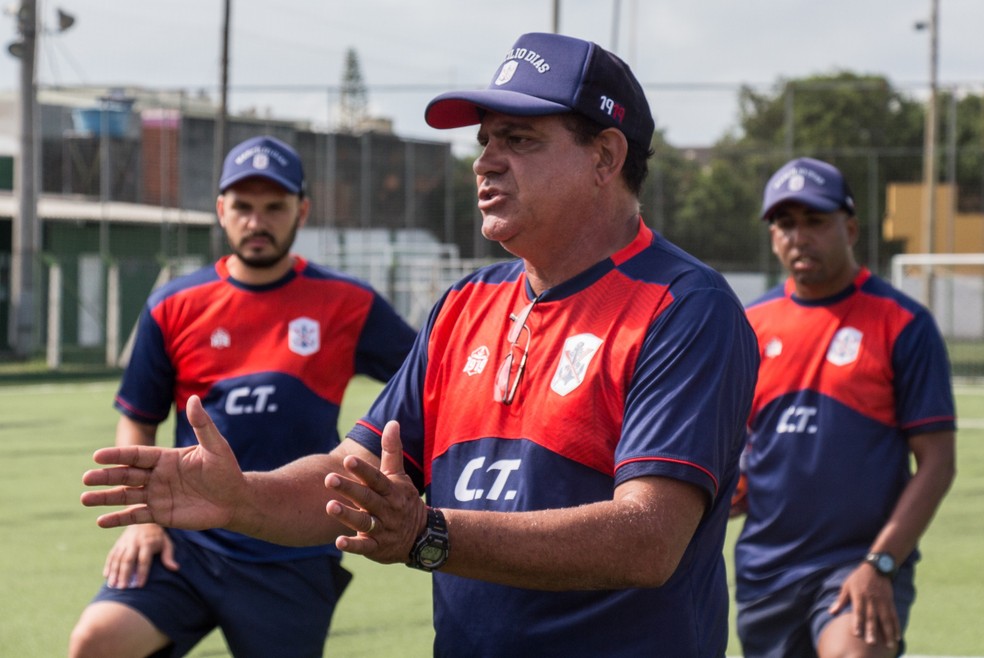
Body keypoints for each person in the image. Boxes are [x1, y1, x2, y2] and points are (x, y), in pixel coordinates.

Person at [81, 33, 759, 656]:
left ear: (605, 157)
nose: (485, 162)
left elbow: (648, 539)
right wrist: (243, 499)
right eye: (484, 141)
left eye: (518, 139)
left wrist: (430, 535)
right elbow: (352, 476)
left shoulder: (685, 308)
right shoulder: (467, 304)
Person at [69, 135, 417, 658]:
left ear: (301, 211)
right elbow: (138, 419)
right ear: (221, 211)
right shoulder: (173, 304)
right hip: (190, 541)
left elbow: (427, 381)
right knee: (96, 642)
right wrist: (145, 524)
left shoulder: (349, 303)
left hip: (290, 551)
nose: (257, 221)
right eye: (243, 207)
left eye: (274, 207)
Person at [732, 156, 957, 657]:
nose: (799, 236)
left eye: (815, 221)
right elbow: (734, 449)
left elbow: (938, 461)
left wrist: (881, 563)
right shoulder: (748, 326)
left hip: (858, 564)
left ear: (850, 228)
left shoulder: (903, 323)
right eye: (785, 223)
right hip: (765, 572)